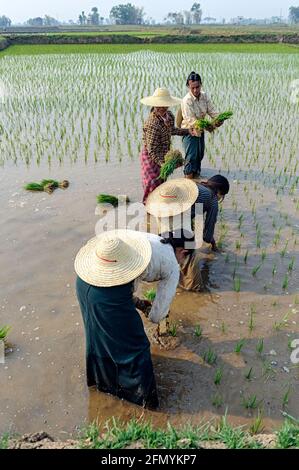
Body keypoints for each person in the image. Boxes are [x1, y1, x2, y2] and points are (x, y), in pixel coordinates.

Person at [75, 228, 192, 408]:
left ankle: (101, 385)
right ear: (183, 252)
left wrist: (136, 302)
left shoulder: (149, 241)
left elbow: (122, 273)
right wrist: (151, 312)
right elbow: (157, 315)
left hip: (86, 278)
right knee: (137, 347)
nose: (183, 262)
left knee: (98, 336)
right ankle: (142, 400)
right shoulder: (171, 266)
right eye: (185, 258)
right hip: (107, 294)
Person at [140, 88, 193, 203]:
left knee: (162, 180)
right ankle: (148, 205)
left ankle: (159, 202)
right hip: (150, 154)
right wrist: (163, 164)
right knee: (151, 182)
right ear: (154, 105)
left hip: (164, 152)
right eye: (159, 105)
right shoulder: (152, 124)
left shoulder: (169, 116)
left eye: (164, 105)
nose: (162, 108)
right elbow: (152, 150)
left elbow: (172, 130)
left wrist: (188, 131)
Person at [180, 72, 221, 178]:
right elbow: (191, 120)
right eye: (192, 88)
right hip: (190, 131)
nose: (195, 90)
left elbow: (211, 110)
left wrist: (218, 119)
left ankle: (196, 179)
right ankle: (188, 180)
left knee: (200, 155)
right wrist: (207, 125)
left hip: (201, 130)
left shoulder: (204, 96)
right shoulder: (186, 100)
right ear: (188, 86)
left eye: (197, 87)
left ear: (201, 85)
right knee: (191, 157)